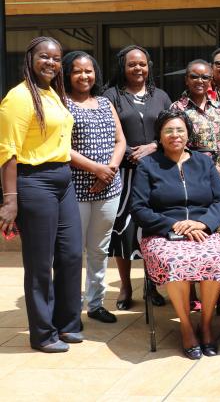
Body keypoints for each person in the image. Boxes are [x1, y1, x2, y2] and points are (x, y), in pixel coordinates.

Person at [0, 37, 82, 353]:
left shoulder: (51, 93)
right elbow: (7, 151)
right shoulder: (18, 98)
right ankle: (43, 333)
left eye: (56, 58)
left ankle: (67, 324)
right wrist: (10, 199)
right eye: (44, 56)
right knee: (39, 263)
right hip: (34, 182)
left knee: (72, 254)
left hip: (62, 180)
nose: (51, 62)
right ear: (30, 58)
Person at [131, 110, 220, 359]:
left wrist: (203, 224)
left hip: (201, 231)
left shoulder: (204, 162)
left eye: (180, 130)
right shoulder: (148, 165)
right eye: (168, 131)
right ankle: (186, 326)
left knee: (215, 258)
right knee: (175, 261)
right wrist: (172, 225)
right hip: (162, 233)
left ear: (188, 134)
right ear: (160, 136)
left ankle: (205, 324)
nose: (175, 135)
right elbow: (139, 207)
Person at [103, 45, 171, 310]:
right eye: (132, 64)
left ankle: (152, 286)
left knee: (152, 229)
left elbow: (171, 128)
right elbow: (106, 134)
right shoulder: (111, 96)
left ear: (148, 66)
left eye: (142, 64)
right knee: (124, 229)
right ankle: (125, 286)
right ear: (123, 67)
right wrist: (128, 151)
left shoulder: (161, 96)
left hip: (156, 172)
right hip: (125, 173)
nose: (138, 69)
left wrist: (154, 145)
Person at [63, 51, 126, 325]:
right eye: (77, 71)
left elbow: (120, 141)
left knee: (99, 249)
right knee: (74, 251)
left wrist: (108, 171)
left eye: (89, 70)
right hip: (76, 191)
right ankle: (71, 309)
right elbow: (61, 148)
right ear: (67, 74)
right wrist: (95, 169)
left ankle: (96, 303)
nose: (84, 76)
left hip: (108, 189)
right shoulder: (61, 104)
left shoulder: (104, 102)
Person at [170, 60, 220, 179]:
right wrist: (211, 166)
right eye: (194, 77)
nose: (200, 81)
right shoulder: (177, 108)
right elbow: (177, 145)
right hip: (194, 173)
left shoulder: (219, 107)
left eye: (205, 77)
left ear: (210, 80)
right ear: (186, 80)